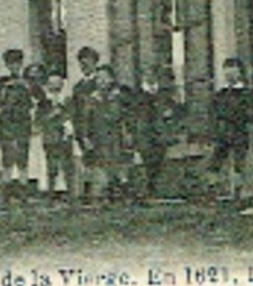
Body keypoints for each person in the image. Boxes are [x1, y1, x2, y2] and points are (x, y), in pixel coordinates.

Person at [76, 64, 128, 204]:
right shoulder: (91, 100)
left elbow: (123, 118)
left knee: (117, 164)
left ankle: (118, 192)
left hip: (115, 137)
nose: (102, 81)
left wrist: (126, 134)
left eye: (105, 78)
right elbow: (85, 120)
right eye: (99, 78)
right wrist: (86, 137)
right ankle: (100, 194)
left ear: (111, 79)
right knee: (100, 165)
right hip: (98, 137)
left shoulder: (118, 98)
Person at [0, 49, 37, 206]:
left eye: (17, 63)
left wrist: (26, 86)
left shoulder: (29, 81)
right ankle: (6, 189)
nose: (14, 67)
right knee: (7, 156)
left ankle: (23, 189)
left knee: (23, 155)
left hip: (23, 121)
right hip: (6, 122)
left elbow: (39, 98)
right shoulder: (1, 82)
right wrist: (5, 90)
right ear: (6, 65)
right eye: (11, 64)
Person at [127, 65, 178, 201]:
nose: (149, 77)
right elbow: (131, 114)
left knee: (159, 159)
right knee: (146, 160)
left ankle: (155, 189)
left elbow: (173, 110)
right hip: (144, 134)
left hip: (160, 133)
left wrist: (170, 115)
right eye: (146, 74)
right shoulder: (136, 94)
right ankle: (146, 190)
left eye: (152, 74)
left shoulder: (164, 94)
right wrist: (133, 131)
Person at [211, 57, 253, 201]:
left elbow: (248, 112)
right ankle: (215, 190)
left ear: (239, 74)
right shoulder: (220, 94)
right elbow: (214, 112)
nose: (229, 77)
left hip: (238, 130)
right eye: (227, 74)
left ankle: (238, 192)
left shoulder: (246, 93)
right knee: (215, 162)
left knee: (238, 162)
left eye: (233, 74)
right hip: (222, 131)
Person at [35, 70, 74, 202]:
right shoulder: (43, 102)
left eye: (58, 82)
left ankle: (69, 193)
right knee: (52, 166)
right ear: (47, 85)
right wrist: (52, 114)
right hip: (50, 137)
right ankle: (51, 193)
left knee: (67, 165)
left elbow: (73, 115)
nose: (55, 86)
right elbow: (38, 121)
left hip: (65, 136)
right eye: (52, 83)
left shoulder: (68, 100)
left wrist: (66, 119)